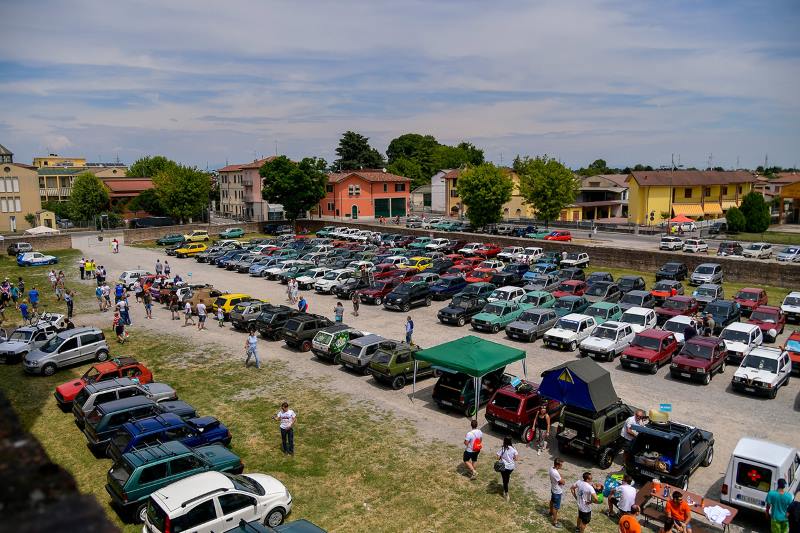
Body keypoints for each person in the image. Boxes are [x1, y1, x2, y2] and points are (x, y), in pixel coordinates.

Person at [496, 436, 518, 502]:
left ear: (504, 441)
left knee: (504, 480)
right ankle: (506, 487)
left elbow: (497, 457)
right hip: (511, 467)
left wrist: (502, 458)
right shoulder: (514, 449)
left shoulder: (503, 448)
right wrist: (511, 458)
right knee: (507, 477)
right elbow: (516, 458)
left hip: (504, 466)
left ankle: (506, 493)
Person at [549, 458, 565, 528]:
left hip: (553, 489)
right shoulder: (555, 473)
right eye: (561, 465)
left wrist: (560, 478)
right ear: (558, 465)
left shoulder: (551, 468)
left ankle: (550, 512)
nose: (562, 466)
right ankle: (555, 522)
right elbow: (563, 482)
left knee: (552, 501)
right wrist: (562, 479)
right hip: (557, 491)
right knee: (556, 507)